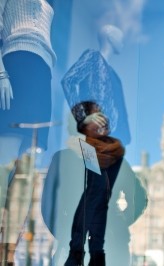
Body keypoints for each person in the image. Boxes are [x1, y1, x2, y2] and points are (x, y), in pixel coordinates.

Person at [41, 101, 148, 266]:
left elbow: (139, 198)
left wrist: (118, 223)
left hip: (108, 244)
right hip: (82, 244)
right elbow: (48, 206)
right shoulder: (62, 159)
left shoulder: (116, 160)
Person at [0, 0, 56, 265]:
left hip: (42, 74)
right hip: (16, 65)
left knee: (28, 170)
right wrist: (1, 73)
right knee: (5, 161)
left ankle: (8, 250)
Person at [61, 24, 131, 146]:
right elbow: (68, 80)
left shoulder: (112, 73)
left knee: (107, 165)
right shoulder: (93, 57)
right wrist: (82, 118)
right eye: (120, 38)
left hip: (112, 138)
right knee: (91, 164)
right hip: (92, 135)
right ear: (110, 37)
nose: (122, 43)